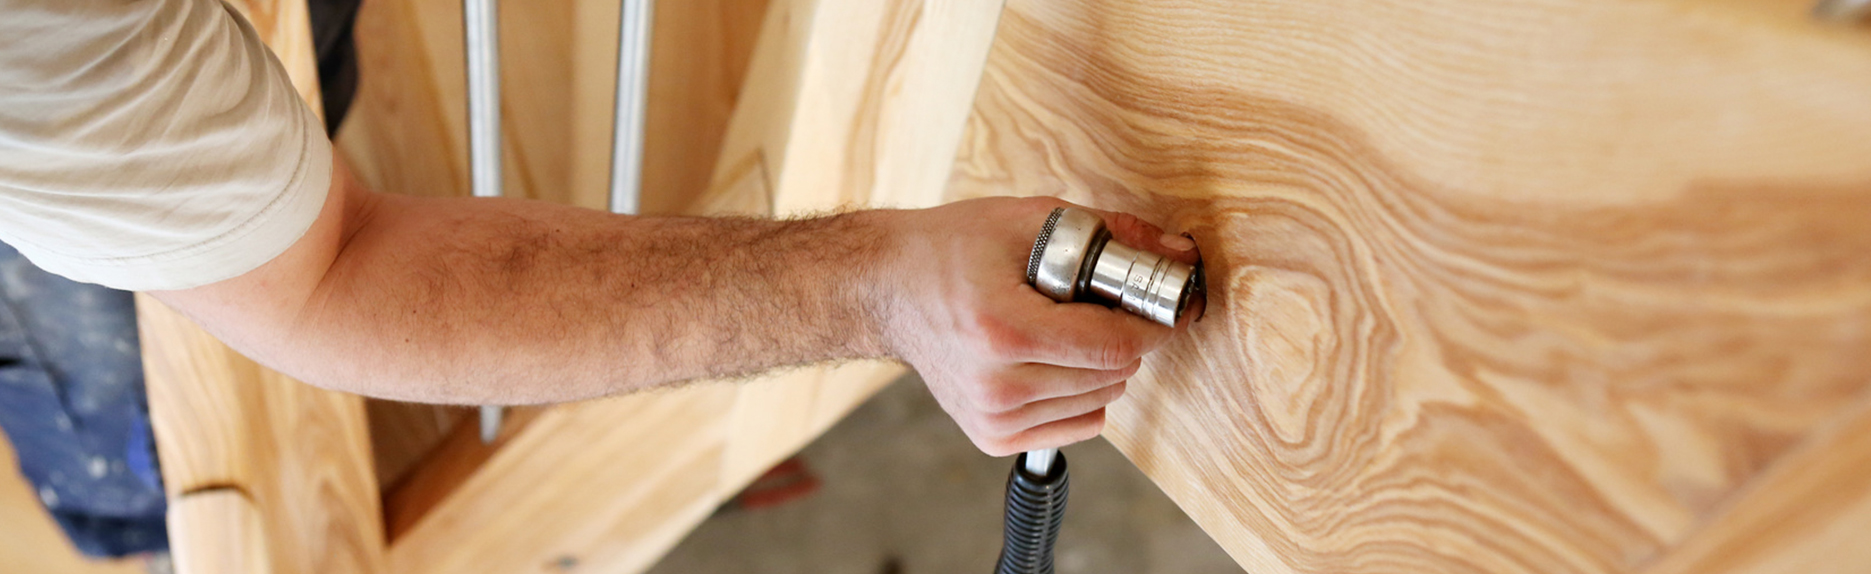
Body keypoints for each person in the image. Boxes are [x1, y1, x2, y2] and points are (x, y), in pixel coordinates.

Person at [0, 0, 1199, 558]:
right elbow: (337, 274)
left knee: (291, 81)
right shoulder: (48, 55)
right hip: (63, 129)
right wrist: (875, 289)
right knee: (123, 415)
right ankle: (139, 534)